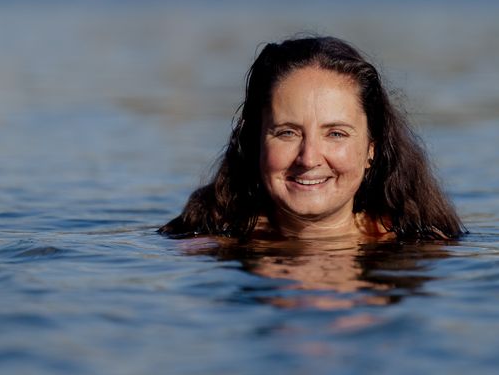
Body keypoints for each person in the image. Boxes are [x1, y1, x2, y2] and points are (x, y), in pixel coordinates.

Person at [159, 35, 464, 241]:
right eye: (288, 133)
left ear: (372, 148)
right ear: (254, 142)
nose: (309, 158)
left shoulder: (422, 245)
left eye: (335, 133)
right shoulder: (207, 244)